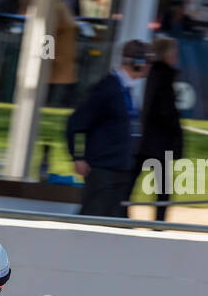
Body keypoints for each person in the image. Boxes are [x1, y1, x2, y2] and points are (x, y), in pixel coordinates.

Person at [66, 40, 153, 217]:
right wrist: (77, 157)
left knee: (117, 230)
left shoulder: (124, 90)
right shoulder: (108, 89)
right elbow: (75, 122)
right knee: (91, 225)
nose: (149, 67)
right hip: (104, 173)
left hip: (121, 172)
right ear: (138, 63)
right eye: (147, 61)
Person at [137, 35, 184, 222]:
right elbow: (165, 111)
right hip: (159, 142)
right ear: (166, 54)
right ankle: (158, 224)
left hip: (150, 139)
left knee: (133, 182)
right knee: (163, 189)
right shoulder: (163, 76)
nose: (176, 55)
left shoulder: (154, 74)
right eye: (173, 52)